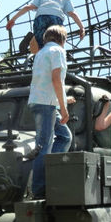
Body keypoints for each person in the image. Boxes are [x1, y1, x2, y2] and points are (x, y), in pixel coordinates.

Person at [28, 25, 72, 199]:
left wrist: (61, 101)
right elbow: (56, 79)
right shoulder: (58, 51)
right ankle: (40, 190)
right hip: (47, 104)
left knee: (64, 137)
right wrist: (64, 107)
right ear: (63, 39)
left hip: (39, 101)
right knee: (43, 146)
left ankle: (49, 176)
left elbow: (45, 80)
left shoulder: (40, 53)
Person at [5, 0, 86, 48]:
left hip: (40, 18)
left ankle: (37, 45)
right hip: (56, 18)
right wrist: (82, 28)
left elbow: (28, 7)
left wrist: (13, 20)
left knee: (41, 43)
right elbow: (73, 14)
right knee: (57, 39)